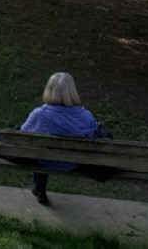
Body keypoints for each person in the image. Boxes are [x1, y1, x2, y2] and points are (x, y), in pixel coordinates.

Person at [20, 72, 111, 204]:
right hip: (73, 163)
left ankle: (39, 189)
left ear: (49, 89)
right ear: (72, 91)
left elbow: (23, 134)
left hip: (45, 161)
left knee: (41, 150)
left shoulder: (40, 114)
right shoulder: (87, 117)